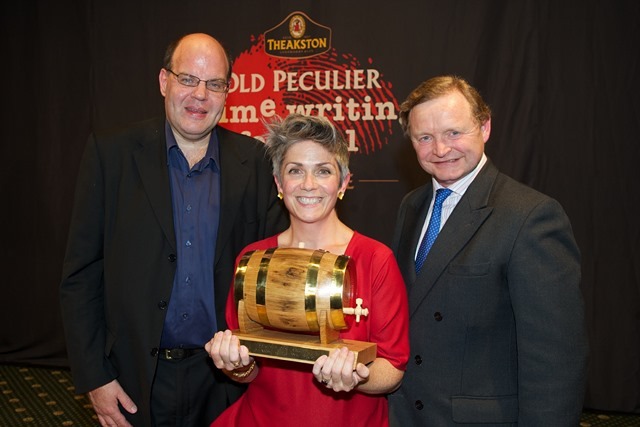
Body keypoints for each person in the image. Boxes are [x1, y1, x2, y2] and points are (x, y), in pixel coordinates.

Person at [59, 33, 288, 426]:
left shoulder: (257, 163)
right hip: (135, 378)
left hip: (227, 380)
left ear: (227, 92)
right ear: (164, 81)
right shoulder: (110, 156)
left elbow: (275, 270)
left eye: (214, 84)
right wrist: (95, 377)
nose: (200, 95)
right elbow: (81, 277)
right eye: (188, 79)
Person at [388, 75, 588, 426]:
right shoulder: (411, 206)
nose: (440, 149)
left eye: (453, 133)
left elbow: (555, 361)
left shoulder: (530, 216)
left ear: (485, 127)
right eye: (425, 137)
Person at [204, 113, 410, 427]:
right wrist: (235, 364)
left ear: (342, 182)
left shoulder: (375, 259)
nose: (308, 184)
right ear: (278, 182)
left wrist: (357, 376)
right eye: (295, 170)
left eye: (323, 171)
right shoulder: (252, 258)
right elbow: (249, 368)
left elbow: (393, 370)